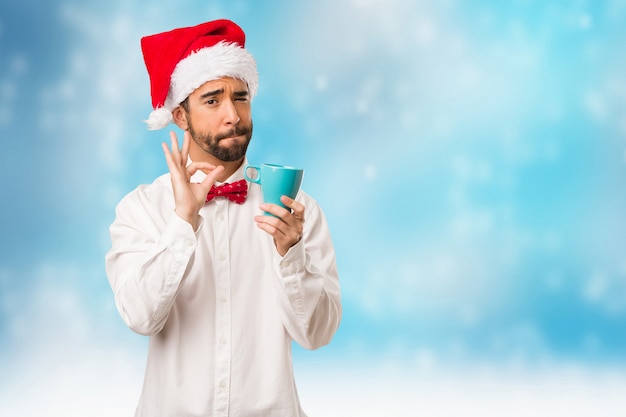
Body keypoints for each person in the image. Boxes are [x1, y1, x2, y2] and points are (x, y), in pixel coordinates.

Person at [105, 19, 342, 417]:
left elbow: (317, 335)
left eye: (241, 97)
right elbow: (141, 317)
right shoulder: (141, 209)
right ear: (180, 116)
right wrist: (182, 223)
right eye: (212, 100)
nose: (233, 114)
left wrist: (292, 255)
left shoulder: (297, 210)